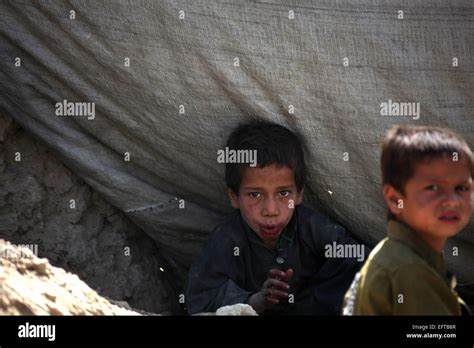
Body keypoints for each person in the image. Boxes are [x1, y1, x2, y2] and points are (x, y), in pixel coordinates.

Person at [184, 120, 364, 315]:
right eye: (255, 195)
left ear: (299, 194)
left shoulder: (310, 227)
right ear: (234, 197)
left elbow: (356, 261)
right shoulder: (228, 239)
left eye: (283, 193)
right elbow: (199, 297)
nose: (271, 210)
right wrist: (256, 301)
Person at [343, 125, 472, 315]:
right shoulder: (409, 271)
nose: (452, 202)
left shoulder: (397, 254)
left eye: (461, 188)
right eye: (433, 188)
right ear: (396, 199)